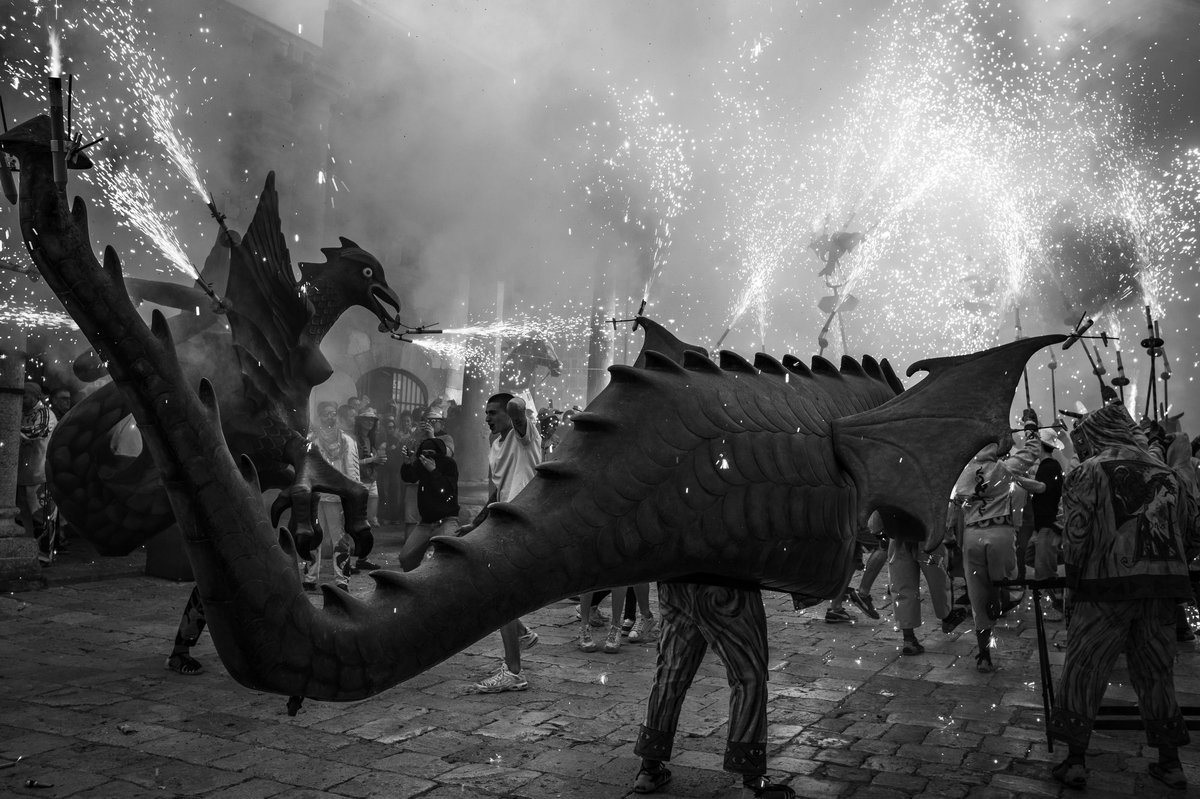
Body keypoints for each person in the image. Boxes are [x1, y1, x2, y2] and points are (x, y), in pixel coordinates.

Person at [1048, 404, 1200, 790]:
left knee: (1085, 668)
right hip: (1162, 589)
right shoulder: (1166, 473)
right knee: (1155, 673)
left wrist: (1074, 583)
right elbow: (1192, 530)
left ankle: (1076, 760)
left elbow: (1076, 539)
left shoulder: (1087, 471)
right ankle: (1170, 763)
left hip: (1105, 588)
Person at [631, 581, 795, 798]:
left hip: (676, 580)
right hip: (728, 581)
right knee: (748, 678)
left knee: (670, 674)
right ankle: (752, 781)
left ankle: (649, 768)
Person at [458, 392, 541, 693]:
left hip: (524, 524)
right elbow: (496, 492)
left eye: (493, 412)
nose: (487, 418)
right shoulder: (495, 445)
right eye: (486, 413)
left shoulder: (525, 436)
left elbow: (518, 407)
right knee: (486, 583)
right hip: (502, 523)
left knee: (501, 596)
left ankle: (514, 671)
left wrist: (515, 404)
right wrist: (477, 522)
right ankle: (520, 632)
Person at [950, 410, 1044, 673]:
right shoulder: (1005, 468)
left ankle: (983, 655)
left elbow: (954, 504)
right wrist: (1030, 425)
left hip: (971, 535)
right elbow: (1032, 451)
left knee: (977, 594)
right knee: (1008, 581)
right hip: (1000, 533)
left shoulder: (962, 472)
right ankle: (1000, 599)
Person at [880, 509, 969, 656]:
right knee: (938, 580)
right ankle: (947, 616)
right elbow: (941, 513)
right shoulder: (928, 485)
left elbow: (877, 516)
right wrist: (950, 540)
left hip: (898, 540)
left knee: (902, 587)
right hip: (929, 541)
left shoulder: (892, 485)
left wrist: (880, 532)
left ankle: (908, 638)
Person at [307, 400, 361, 591]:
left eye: (333, 413)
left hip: (337, 498)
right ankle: (310, 577)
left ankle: (342, 580)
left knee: (339, 539)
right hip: (316, 497)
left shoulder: (346, 440)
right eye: (325, 414)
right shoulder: (311, 440)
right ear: (319, 416)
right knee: (313, 536)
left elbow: (352, 472)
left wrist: (353, 496)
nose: (330, 417)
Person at [397, 437, 459, 571]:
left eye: (431, 453)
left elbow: (447, 491)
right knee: (406, 558)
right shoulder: (421, 464)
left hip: (446, 521)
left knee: (448, 560)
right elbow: (410, 478)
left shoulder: (449, 465)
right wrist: (407, 463)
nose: (427, 456)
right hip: (426, 523)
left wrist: (434, 471)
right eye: (424, 453)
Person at [18, 381, 57, 565]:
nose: (22, 400)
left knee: (41, 516)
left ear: (35, 396)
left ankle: (44, 555)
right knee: (22, 517)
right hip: (20, 475)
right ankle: (25, 552)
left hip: (40, 473)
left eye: (25, 396)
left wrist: (13, 431)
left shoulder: (45, 413)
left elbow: (38, 431)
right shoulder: (19, 412)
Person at [1030, 428, 1066, 619]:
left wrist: (1020, 480)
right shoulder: (1051, 466)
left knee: (1044, 572)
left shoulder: (1049, 467)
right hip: (1045, 526)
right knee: (1034, 560)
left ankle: (1057, 606)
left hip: (1048, 526)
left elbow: (1043, 490)